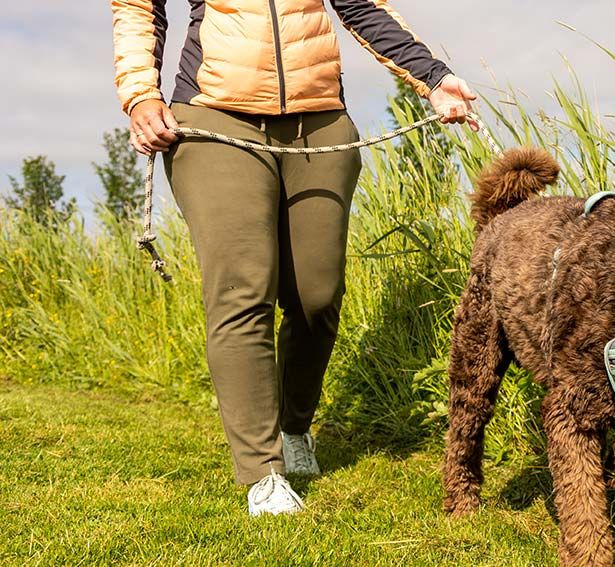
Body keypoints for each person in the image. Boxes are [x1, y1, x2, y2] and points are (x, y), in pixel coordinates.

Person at [111, 0, 477, 516]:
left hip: (320, 119)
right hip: (216, 115)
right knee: (243, 287)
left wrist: (434, 77)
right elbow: (138, 9)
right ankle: (263, 472)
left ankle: (293, 425)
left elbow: (362, 8)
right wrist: (141, 96)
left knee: (317, 295)